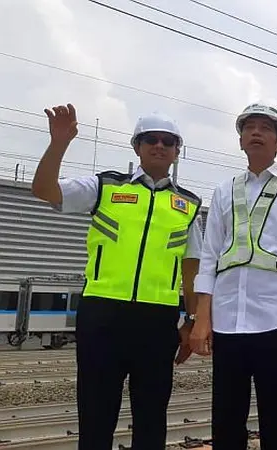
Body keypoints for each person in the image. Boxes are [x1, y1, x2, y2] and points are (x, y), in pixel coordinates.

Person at [31, 104, 203, 449]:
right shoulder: (105, 186)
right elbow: (45, 190)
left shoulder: (187, 204)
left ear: (176, 152)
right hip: (103, 316)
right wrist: (59, 144)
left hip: (158, 323)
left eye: (167, 141)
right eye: (150, 139)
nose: (159, 146)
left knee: (151, 419)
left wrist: (192, 320)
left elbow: (191, 268)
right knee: (96, 415)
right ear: (136, 146)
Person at [190, 102, 277, 449]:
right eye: (250, 128)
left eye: (266, 128)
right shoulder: (223, 191)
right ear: (241, 140)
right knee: (227, 420)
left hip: (276, 320)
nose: (257, 133)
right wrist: (202, 317)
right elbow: (209, 256)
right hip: (228, 321)